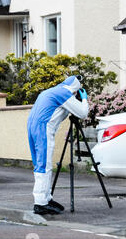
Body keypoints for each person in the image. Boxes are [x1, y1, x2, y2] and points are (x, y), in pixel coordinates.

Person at [27, 76, 88, 215]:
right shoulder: (64, 93)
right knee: (44, 165)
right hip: (43, 129)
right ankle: (40, 203)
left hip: (32, 126)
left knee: (40, 164)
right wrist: (84, 98)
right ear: (75, 89)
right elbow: (83, 113)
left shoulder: (51, 91)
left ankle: (46, 198)